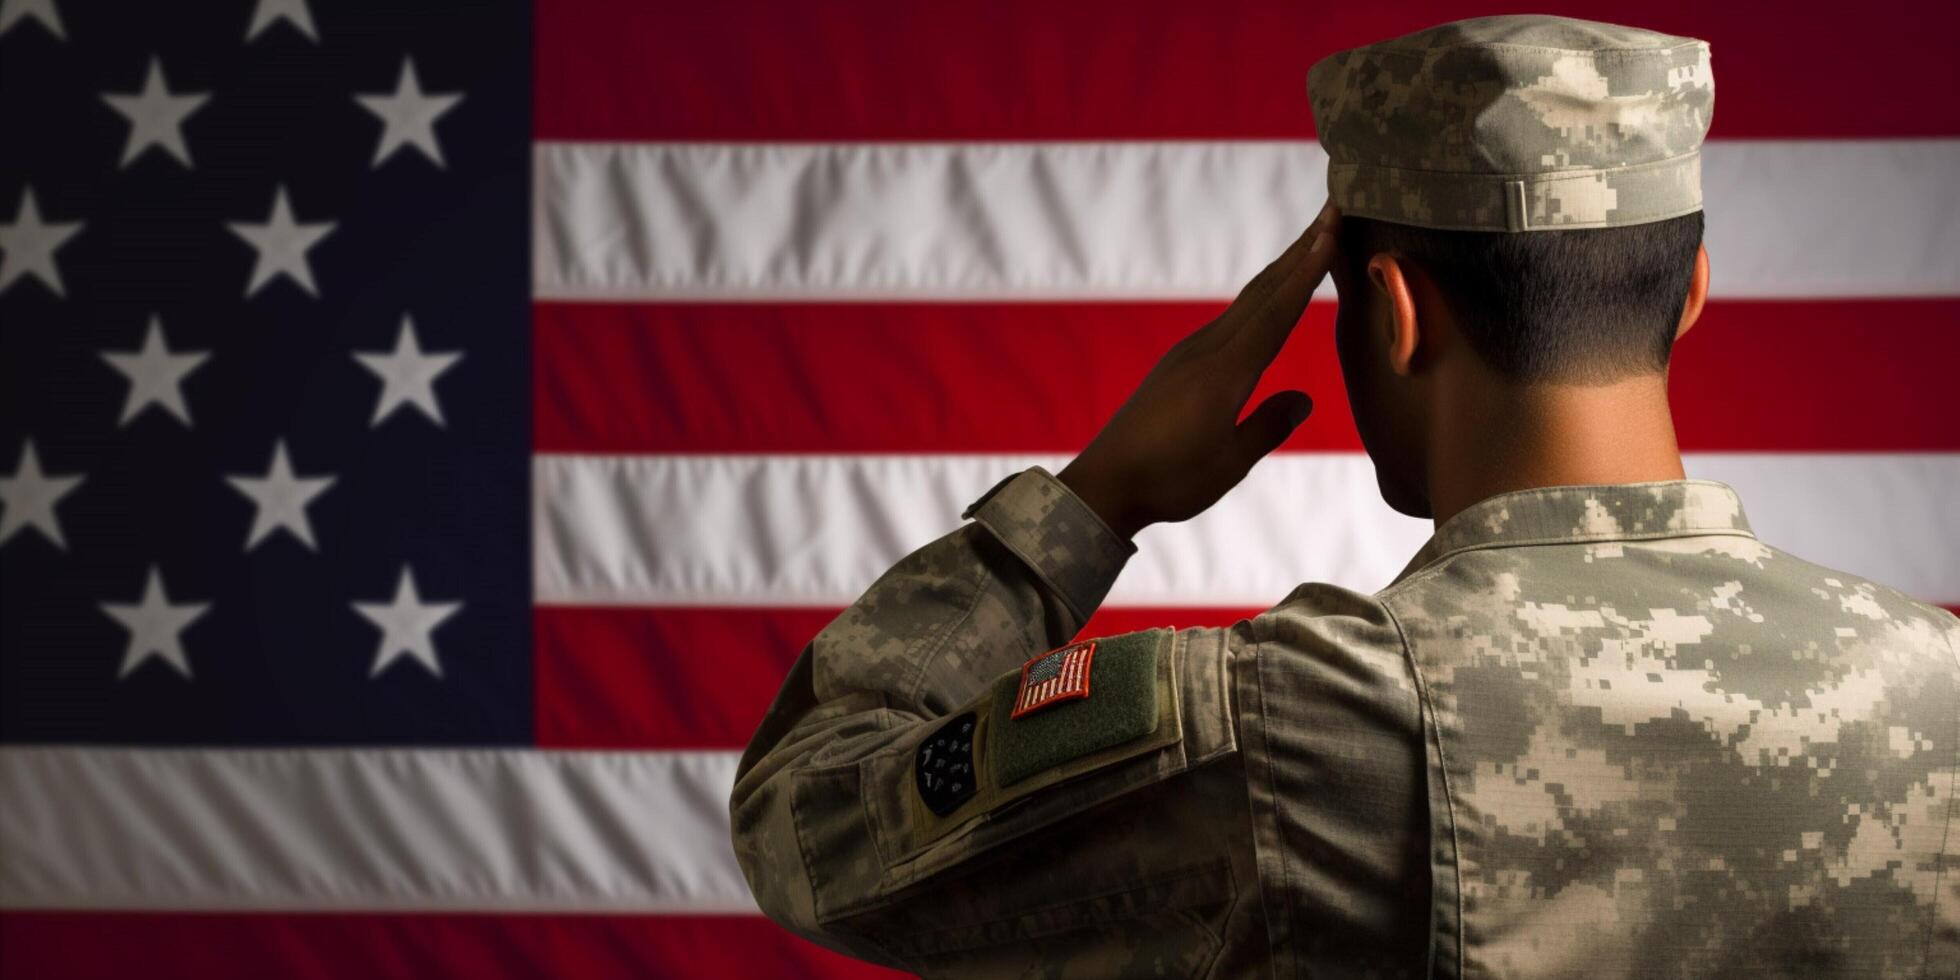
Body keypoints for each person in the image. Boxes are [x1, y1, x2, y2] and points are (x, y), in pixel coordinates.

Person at [728, 13, 1960, 977]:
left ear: (1392, 311)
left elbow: (813, 826)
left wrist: (1091, 503)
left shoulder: (1302, 721)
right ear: (1690, 289)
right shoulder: (1940, 684)